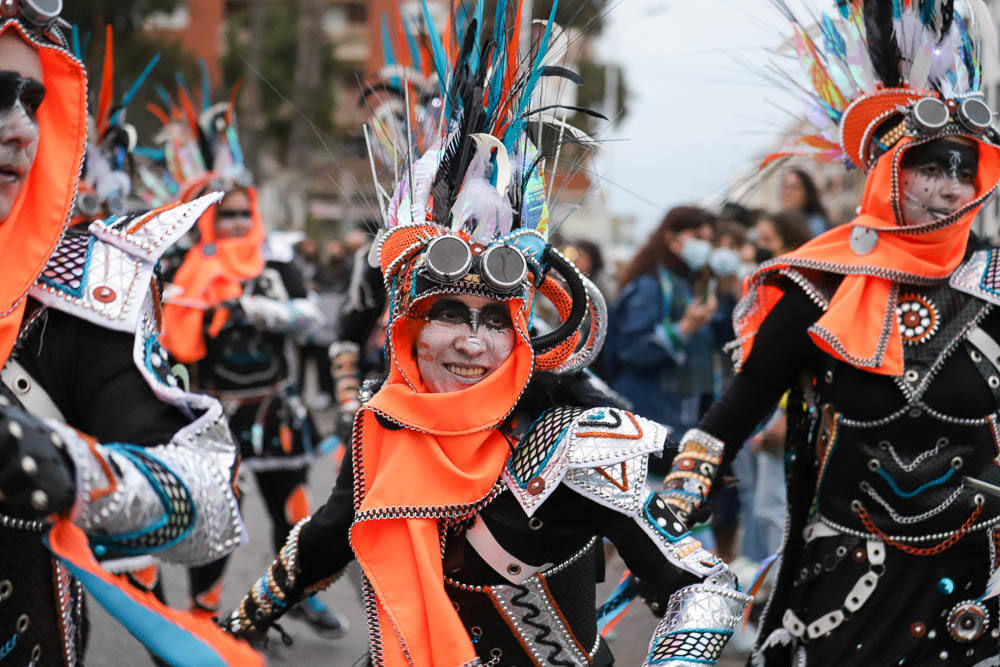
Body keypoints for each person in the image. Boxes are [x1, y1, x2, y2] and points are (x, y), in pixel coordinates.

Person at [219, 8, 750, 665]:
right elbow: (329, 536)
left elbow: (703, 587)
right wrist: (239, 621)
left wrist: (685, 459)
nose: (473, 342)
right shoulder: (382, 434)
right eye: (449, 314)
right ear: (409, 330)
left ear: (523, 335)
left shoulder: (565, 445)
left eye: (497, 319)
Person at [662, 1, 1000, 664]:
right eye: (931, 167)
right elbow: (743, 401)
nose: (951, 189)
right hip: (845, 578)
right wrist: (682, 489)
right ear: (886, 174)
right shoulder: (816, 285)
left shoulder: (995, 285)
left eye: (966, 170)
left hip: (977, 582)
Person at [0, 11, 248, 665]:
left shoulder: (82, 290)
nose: (22, 129)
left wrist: (70, 465)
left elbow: (212, 500)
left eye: (35, 101)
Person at [156, 82, 347, 638]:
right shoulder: (182, 271)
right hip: (214, 418)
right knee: (216, 520)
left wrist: (252, 306)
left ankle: (298, 600)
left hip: (274, 412)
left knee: (296, 517)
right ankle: (201, 618)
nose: (237, 223)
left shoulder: (277, 263)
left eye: (243, 212)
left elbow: (312, 317)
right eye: (225, 214)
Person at [605, 207, 720, 470]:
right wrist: (686, 327)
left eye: (709, 240)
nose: (705, 246)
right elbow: (633, 349)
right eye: (698, 237)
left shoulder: (689, 284)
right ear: (671, 238)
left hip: (678, 417)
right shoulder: (650, 285)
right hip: (647, 416)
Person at [780, 168, 830, 237]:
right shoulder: (780, 221)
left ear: (806, 193)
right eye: (785, 187)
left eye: (793, 187)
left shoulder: (815, 225)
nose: (787, 192)